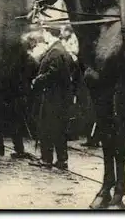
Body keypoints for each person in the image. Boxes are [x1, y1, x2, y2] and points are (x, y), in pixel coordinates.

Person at [28, 25, 75, 170]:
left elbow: (53, 74)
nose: (44, 36)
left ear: (49, 34)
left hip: (52, 97)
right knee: (59, 129)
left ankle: (46, 159)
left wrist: (38, 80)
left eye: (45, 33)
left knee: (46, 127)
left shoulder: (55, 51)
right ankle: (62, 160)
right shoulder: (61, 50)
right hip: (61, 97)